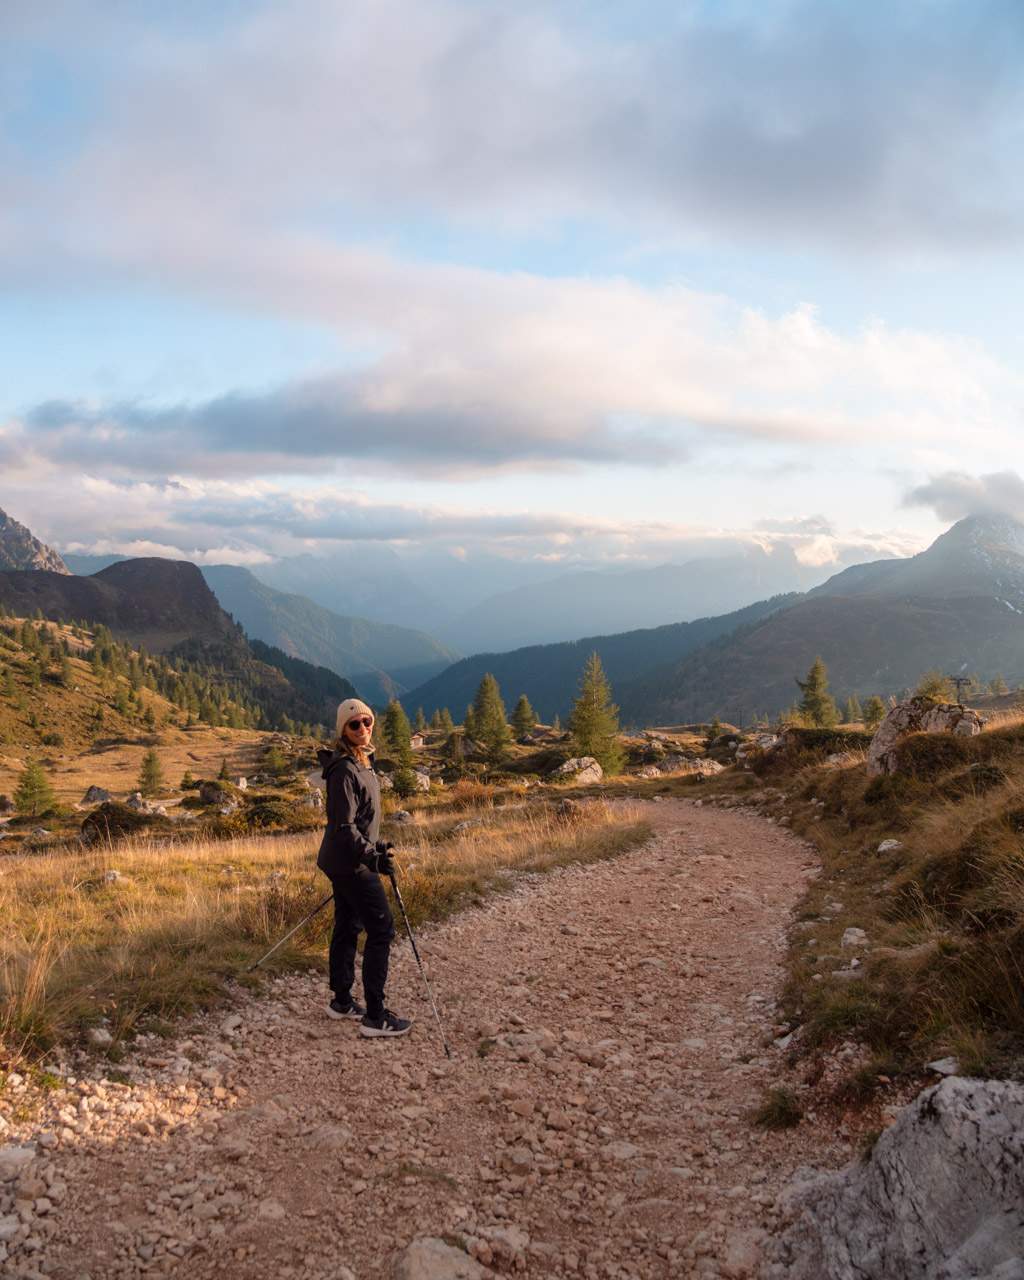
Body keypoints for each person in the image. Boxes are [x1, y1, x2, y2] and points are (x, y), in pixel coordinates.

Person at [316, 697, 412, 1037]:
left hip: (345, 860)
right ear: (343, 728)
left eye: (367, 721)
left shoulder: (362, 762)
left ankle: (341, 1002)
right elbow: (344, 828)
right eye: (354, 724)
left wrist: (376, 846)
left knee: (347, 925)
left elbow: (361, 820)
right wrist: (370, 858)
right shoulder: (344, 769)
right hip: (351, 864)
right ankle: (375, 1016)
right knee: (382, 929)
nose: (363, 728)